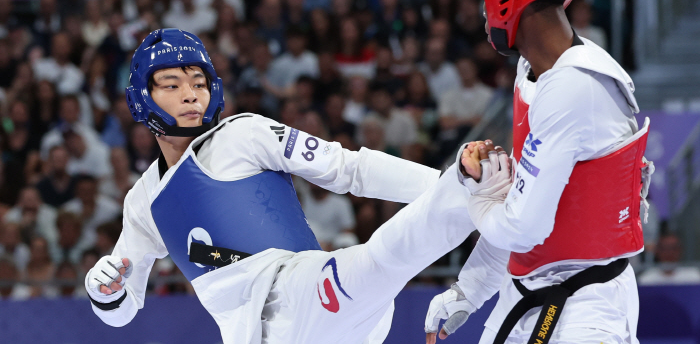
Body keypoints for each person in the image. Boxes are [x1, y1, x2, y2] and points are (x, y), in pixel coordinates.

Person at [84, 28, 508, 344]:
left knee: (379, 262)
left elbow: (351, 169)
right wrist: (102, 292)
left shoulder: (242, 133)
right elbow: (121, 311)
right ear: (143, 96)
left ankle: (467, 185)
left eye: (198, 82)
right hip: (257, 336)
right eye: (173, 85)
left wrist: (442, 183)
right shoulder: (143, 202)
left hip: (310, 295)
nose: (191, 95)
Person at [425, 0, 654, 344]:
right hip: (525, 287)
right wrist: (469, 292)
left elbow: (520, 226)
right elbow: (521, 202)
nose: (483, 10)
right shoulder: (534, 72)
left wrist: (480, 196)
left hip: (588, 303)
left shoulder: (575, 86)